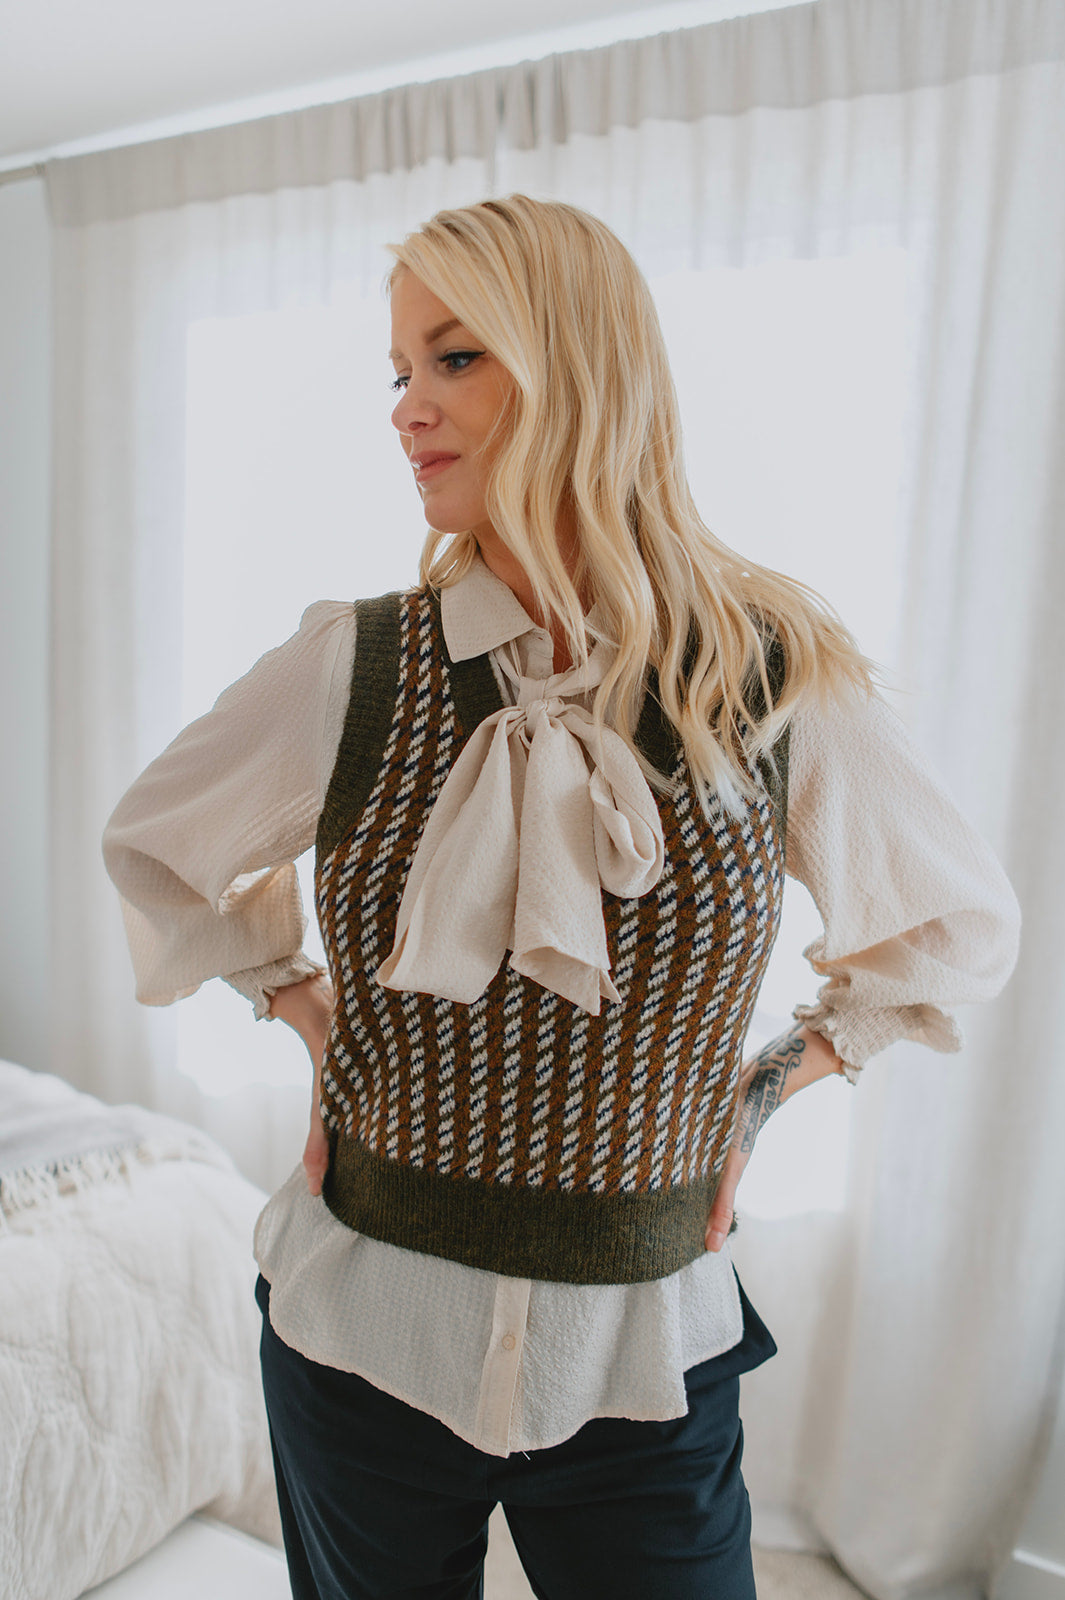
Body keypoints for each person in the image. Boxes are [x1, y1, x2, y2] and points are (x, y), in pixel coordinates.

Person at [103, 195, 1020, 1600]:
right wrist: (302, 1008)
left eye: (454, 358)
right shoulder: (356, 667)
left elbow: (952, 927)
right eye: (397, 371)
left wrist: (764, 1090)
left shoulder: (765, 680)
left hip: (639, 1370)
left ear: (577, 367)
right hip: (363, 1338)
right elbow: (157, 843)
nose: (406, 408)